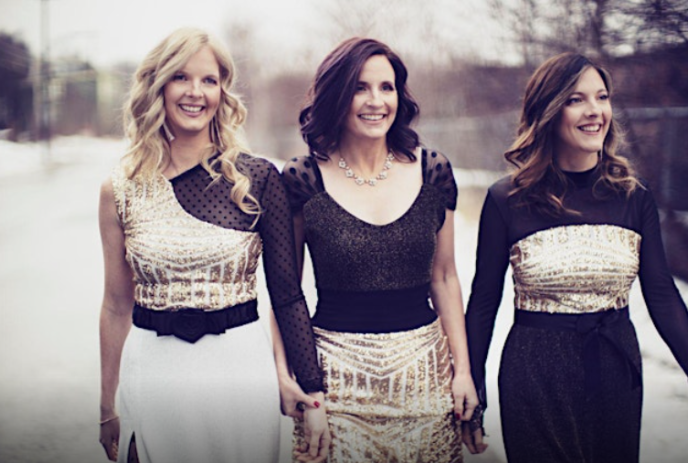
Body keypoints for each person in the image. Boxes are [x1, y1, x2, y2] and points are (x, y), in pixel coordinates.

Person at [97, 27, 328, 463]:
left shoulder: (258, 179)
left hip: (240, 370)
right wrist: (107, 404)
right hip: (154, 374)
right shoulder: (120, 188)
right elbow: (114, 303)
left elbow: (288, 295)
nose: (195, 92)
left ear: (223, 91)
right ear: (158, 86)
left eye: (209, 80)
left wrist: (307, 388)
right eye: (180, 77)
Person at [463, 52, 688, 463]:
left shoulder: (633, 198)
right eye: (576, 99)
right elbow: (482, 305)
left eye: (602, 97)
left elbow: (662, 295)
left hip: (615, 371)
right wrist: (472, 392)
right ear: (548, 111)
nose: (595, 111)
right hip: (534, 377)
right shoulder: (506, 200)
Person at [277, 37, 480, 463]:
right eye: (360, 88)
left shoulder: (432, 171)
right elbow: (286, 293)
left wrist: (463, 372)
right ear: (336, 96)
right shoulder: (302, 178)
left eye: (386, 88)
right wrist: (295, 381)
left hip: (426, 381)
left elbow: (444, 277)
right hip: (336, 387)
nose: (376, 101)